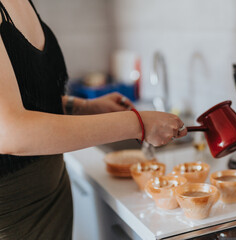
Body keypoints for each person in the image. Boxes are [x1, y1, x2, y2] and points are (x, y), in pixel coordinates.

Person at [0, 0, 187, 239]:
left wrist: (83, 106)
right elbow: (10, 133)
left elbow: (30, 96)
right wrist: (138, 123)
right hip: (14, 220)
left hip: (54, 199)